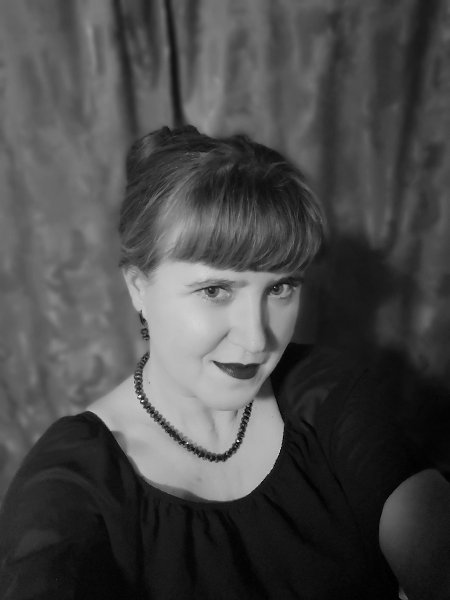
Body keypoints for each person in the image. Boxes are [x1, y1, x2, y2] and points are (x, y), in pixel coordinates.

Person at [0, 125, 449, 600]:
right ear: (138, 288)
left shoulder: (328, 392)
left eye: (281, 287)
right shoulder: (70, 483)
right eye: (215, 290)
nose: (257, 339)